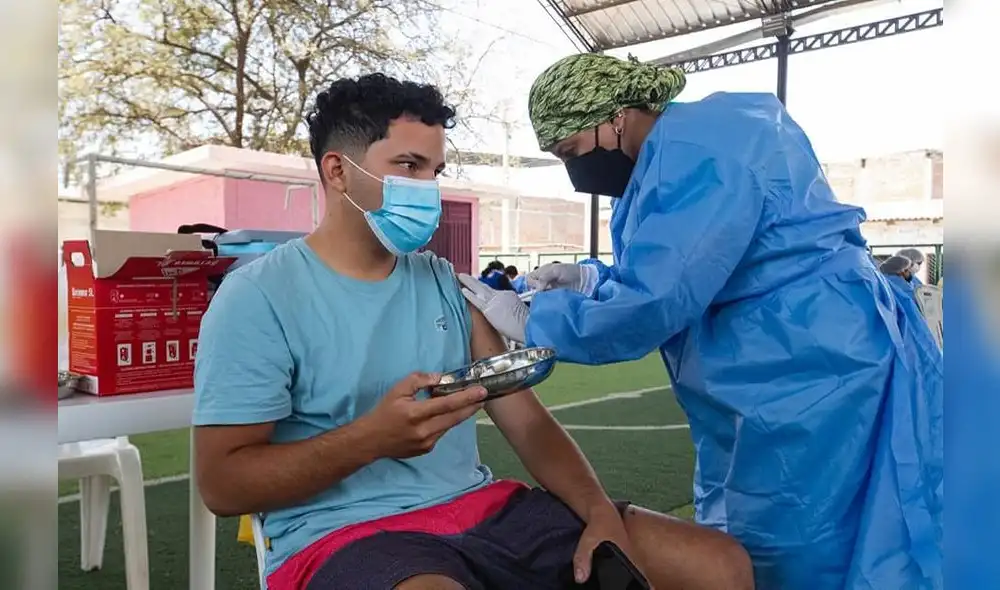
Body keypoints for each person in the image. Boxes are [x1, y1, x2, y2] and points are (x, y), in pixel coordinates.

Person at [192, 73, 752, 590]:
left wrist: (599, 508)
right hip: (348, 532)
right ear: (337, 171)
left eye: (434, 171)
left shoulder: (440, 281)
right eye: (408, 166)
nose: (427, 188)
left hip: (481, 510)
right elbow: (223, 485)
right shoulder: (258, 297)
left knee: (719, 566)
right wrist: (371, 440)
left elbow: (525, 420)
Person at [458, 53, 943, 590]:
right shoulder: (666, 157)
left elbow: (661, 296)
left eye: (570, 151)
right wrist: (594, 280)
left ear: (614, 116)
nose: (575, 171)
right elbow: (685, 264)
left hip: (810, 360)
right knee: (752, 520)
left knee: (808, 531)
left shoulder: (704, 149)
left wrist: (535, 322)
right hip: (775, 356)